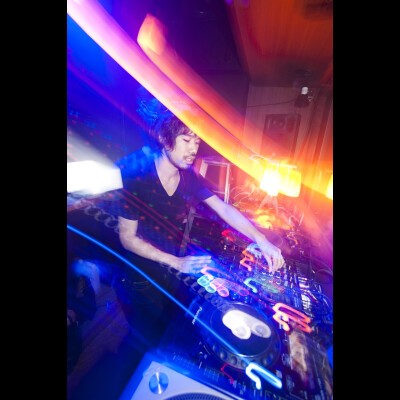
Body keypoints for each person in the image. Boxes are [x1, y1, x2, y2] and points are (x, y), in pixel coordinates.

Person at [111, 110, 285, 316]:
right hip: (140, 277)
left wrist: (261, 239)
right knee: (145, 330)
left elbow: (223, 208)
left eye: (197, 142)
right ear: (164, 139)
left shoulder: (188, 177)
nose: (193, 149)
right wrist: (175, 262)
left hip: (172, 270)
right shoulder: (136, 176)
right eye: (186, 140)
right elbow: (128, 238)